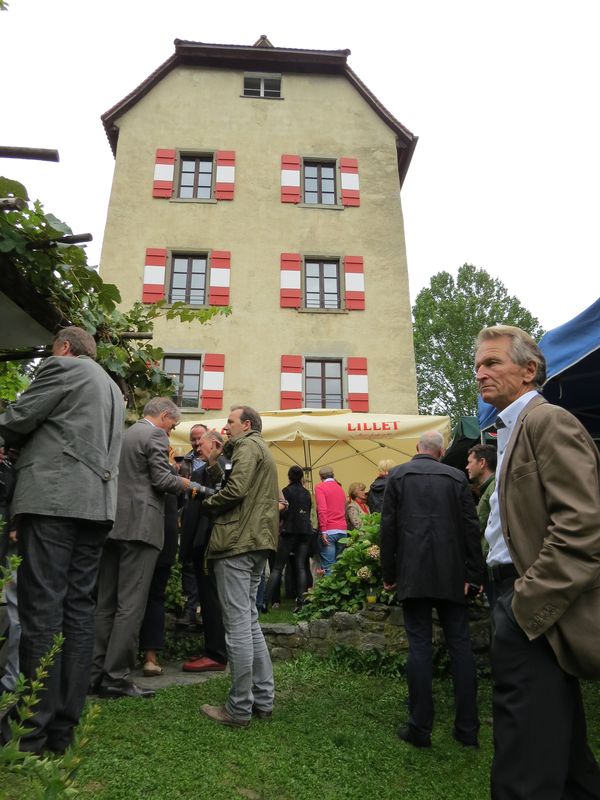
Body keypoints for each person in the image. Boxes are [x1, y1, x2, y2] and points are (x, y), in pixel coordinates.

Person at [475, 325, 600, 799]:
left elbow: (582, 527)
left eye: (492, 363)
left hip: (530, 604)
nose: (480, 373)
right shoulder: (511, 429)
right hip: (518, 599)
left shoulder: (548, 421)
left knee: (524, 754)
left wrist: (524, 605)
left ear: (529, 370)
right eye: (478, 365)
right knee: (556, 742)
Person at [0, 326, 125, 754]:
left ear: (65, 347)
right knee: (78, 611)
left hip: (55, 499)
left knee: (43, 610)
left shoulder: (64, 367)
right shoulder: (113, 388)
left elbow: (17, 419)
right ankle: (60, 731)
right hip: (96, 506)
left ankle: (29, 733)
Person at [380, 430, 483, 749]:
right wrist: (474, 575)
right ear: (441, 451)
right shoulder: (456, 477)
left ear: (417, 448)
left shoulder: (398, 476)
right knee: (460, 646)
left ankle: (420, 727)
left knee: (420, 646)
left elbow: (388, 529)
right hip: (452, 573)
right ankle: (467, 729)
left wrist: (388, 573)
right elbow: (471, 528)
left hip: (414, 573)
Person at [91, 397, 192, 699]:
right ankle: (116, 678)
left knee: (105, 604)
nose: (171, 430)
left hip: (114, 526)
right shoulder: (155, 435)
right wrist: (187, 483)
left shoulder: (124, 434)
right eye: (172, 424)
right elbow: (161, 480)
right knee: (131, 606)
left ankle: (94, 674)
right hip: (141, 528)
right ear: (164, 415)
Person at [199, 405, 279, 728]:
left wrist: (205, 504)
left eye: (231, 421)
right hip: (256, 543)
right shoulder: (259, 449)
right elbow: (236, 484)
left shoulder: (247, 446)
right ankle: (263, 700)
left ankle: (239, 709)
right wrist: (214, 463)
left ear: (246, 424)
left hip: (237, 543)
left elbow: (235, 490)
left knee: (237, 627)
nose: (226, 426)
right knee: (249, 621)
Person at [181, 429, 229, 673]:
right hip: (200, 540)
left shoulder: (221, 465)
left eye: (202, 443)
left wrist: (194, 487)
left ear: (216, 444)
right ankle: (213, 649)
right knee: (208, 597)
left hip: (208, 539)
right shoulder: (210, 465)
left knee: (211, 599)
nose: (197, 447)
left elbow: (221, 497)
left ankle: (217, 653)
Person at [139, 446, 180, 676]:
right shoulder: (172, 475)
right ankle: (150, 657)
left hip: (143, 541)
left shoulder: (139, 472)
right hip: (164, 543)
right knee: (155, 598)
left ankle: (124, 656)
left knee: (130, 598)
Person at [265, 466, 312, 614]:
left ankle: (265, 602)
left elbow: (282, 511)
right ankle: (301, 602)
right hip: (304, 532)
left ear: (289, 477)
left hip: (288, 531)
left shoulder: (286, 491)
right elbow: (308, 511)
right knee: (301, 567)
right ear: (302, 477)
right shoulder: (307, 493)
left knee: (277, 567)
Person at [178, 423, 208, 628]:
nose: (197, 443)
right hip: (188, 516)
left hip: (206, 517)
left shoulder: (218, 461)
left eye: (200, 439)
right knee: (188, 563)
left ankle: (206, 611)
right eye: (193, 439)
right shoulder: (185, 462)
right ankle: (190, 610)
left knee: (206, 566)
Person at [314, 466, 347, 575]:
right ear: (333, 475)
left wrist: (323, 530)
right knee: (339, 566)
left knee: (329, 568)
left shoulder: (320, 487)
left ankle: (330, 586)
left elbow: (322, 509)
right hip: (342, 530)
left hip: (329, 530)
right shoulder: (340, 488)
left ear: (321, 477)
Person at [465, 444, 497, 535]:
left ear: (482, 462)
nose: (467, 467)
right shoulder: (490, 487)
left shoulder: (493, 488)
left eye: (470, 462)